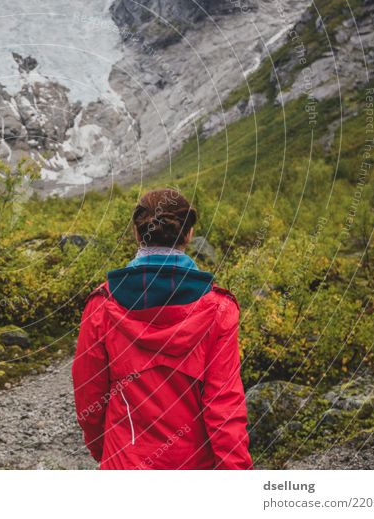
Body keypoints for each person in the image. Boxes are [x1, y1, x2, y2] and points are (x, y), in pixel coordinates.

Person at [71, 188, 252, 470]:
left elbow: (88, 397)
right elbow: (225, 407)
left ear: (136, 232)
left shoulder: (102, 306)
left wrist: (104, 451)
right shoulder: (219, 310)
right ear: (189, 234)